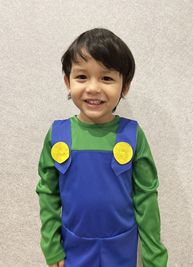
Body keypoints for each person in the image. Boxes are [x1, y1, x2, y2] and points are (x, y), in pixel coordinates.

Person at [36, 28, 168, 267]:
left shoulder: (132, 135)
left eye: (106, 78)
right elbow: (48, 194)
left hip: (121, 248)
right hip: (72, 248)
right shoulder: (57, 135)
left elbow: (146, 200)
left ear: (124, 86)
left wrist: (154, 258)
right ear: (68, 81)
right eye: (82, 77)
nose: (93, 88)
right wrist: (51, 245)